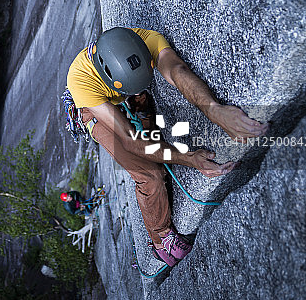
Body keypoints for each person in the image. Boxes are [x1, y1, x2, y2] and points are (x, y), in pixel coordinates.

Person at [66, 27, 269, 268]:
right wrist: (189, 158)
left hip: (125, 93)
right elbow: (131, 140)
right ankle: (161, 240)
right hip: (95, 112)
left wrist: (215, 110)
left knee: (146, 114)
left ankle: (141, 110)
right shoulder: (81, 82)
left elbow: (175, 70)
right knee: (150, 174)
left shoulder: (144, 40)